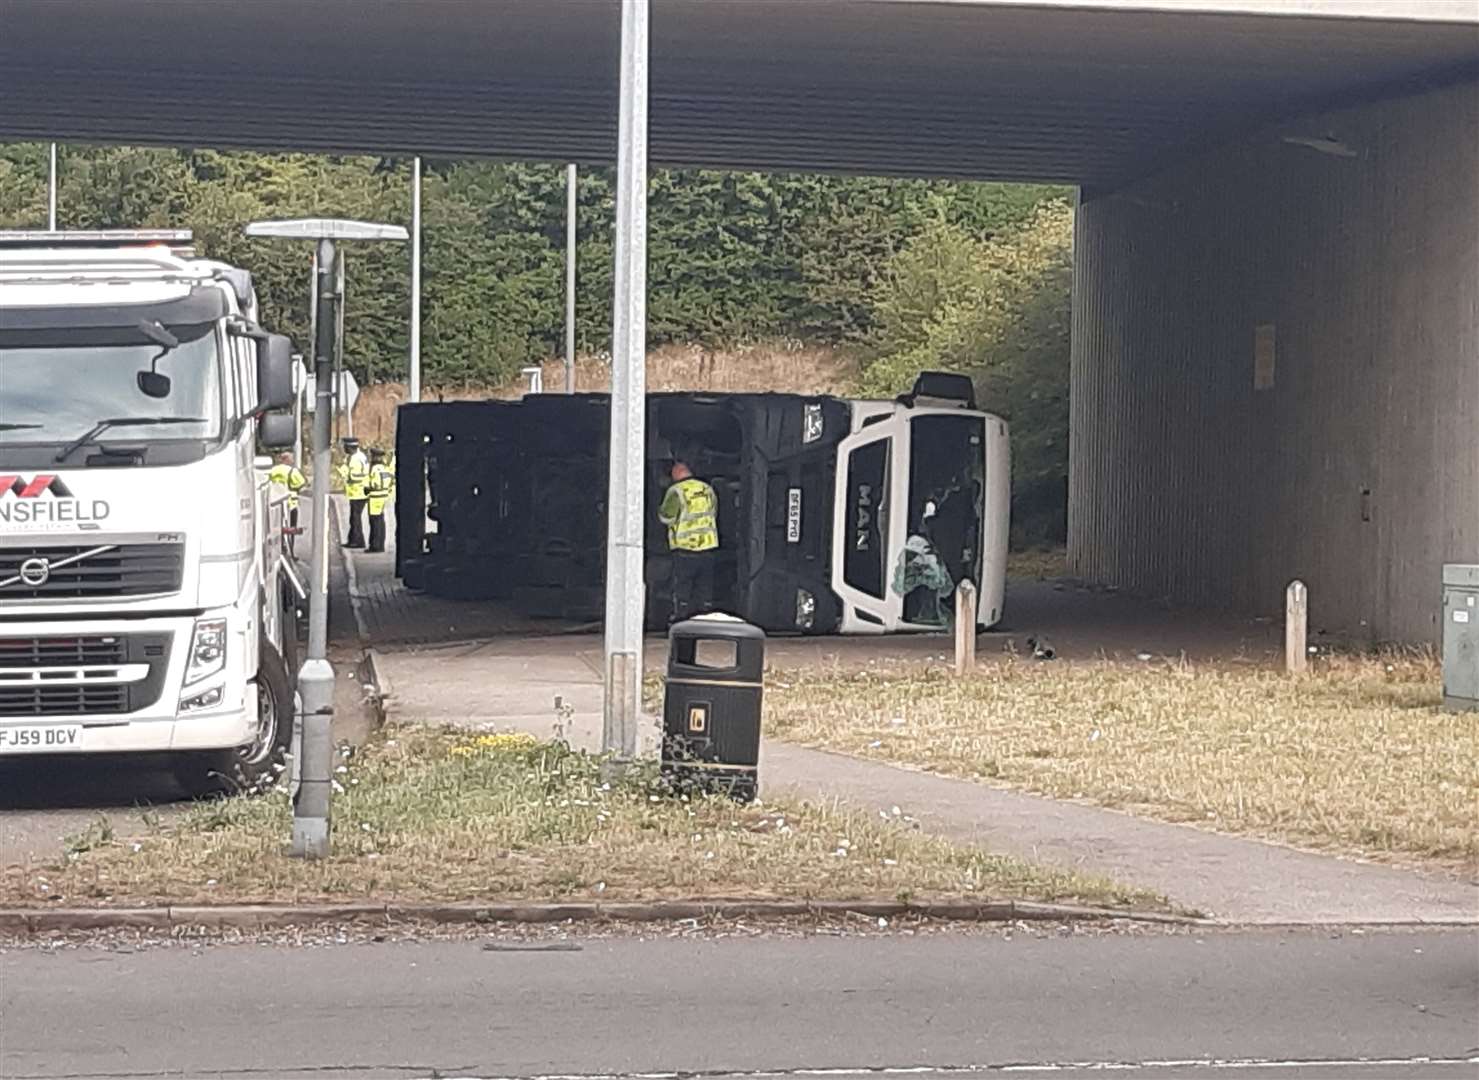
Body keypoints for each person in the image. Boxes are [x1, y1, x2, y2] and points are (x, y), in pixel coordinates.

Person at [658, 458, 719, 624]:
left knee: (683, 588)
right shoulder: (707, 488)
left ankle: (681, 619)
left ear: (675, 473)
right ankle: (706, 618)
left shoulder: (676, 491)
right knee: (705, 587)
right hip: (708, 546)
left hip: (685, 548)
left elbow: (666, 517)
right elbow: (713, 511)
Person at [338, 436, 370, 549]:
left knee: (355, 519)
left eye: (345, 447)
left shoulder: (355, 459)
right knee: (354, 518)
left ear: (350, 447)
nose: (344, 449)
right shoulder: (359, 456)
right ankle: (353, 540)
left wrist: (344, 473)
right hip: (358, 492)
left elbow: (355, 476)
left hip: (358, 492)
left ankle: (357, 541)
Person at [365, 447, 395, 554]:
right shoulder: (384, 468)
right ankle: (380, 544)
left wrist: (367, 488)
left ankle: (375, 546)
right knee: (381, 522)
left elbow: (375, 484)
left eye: (373, 456)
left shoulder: (375, 469)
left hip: (375, 497)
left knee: (375, 522)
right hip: (383, 496)